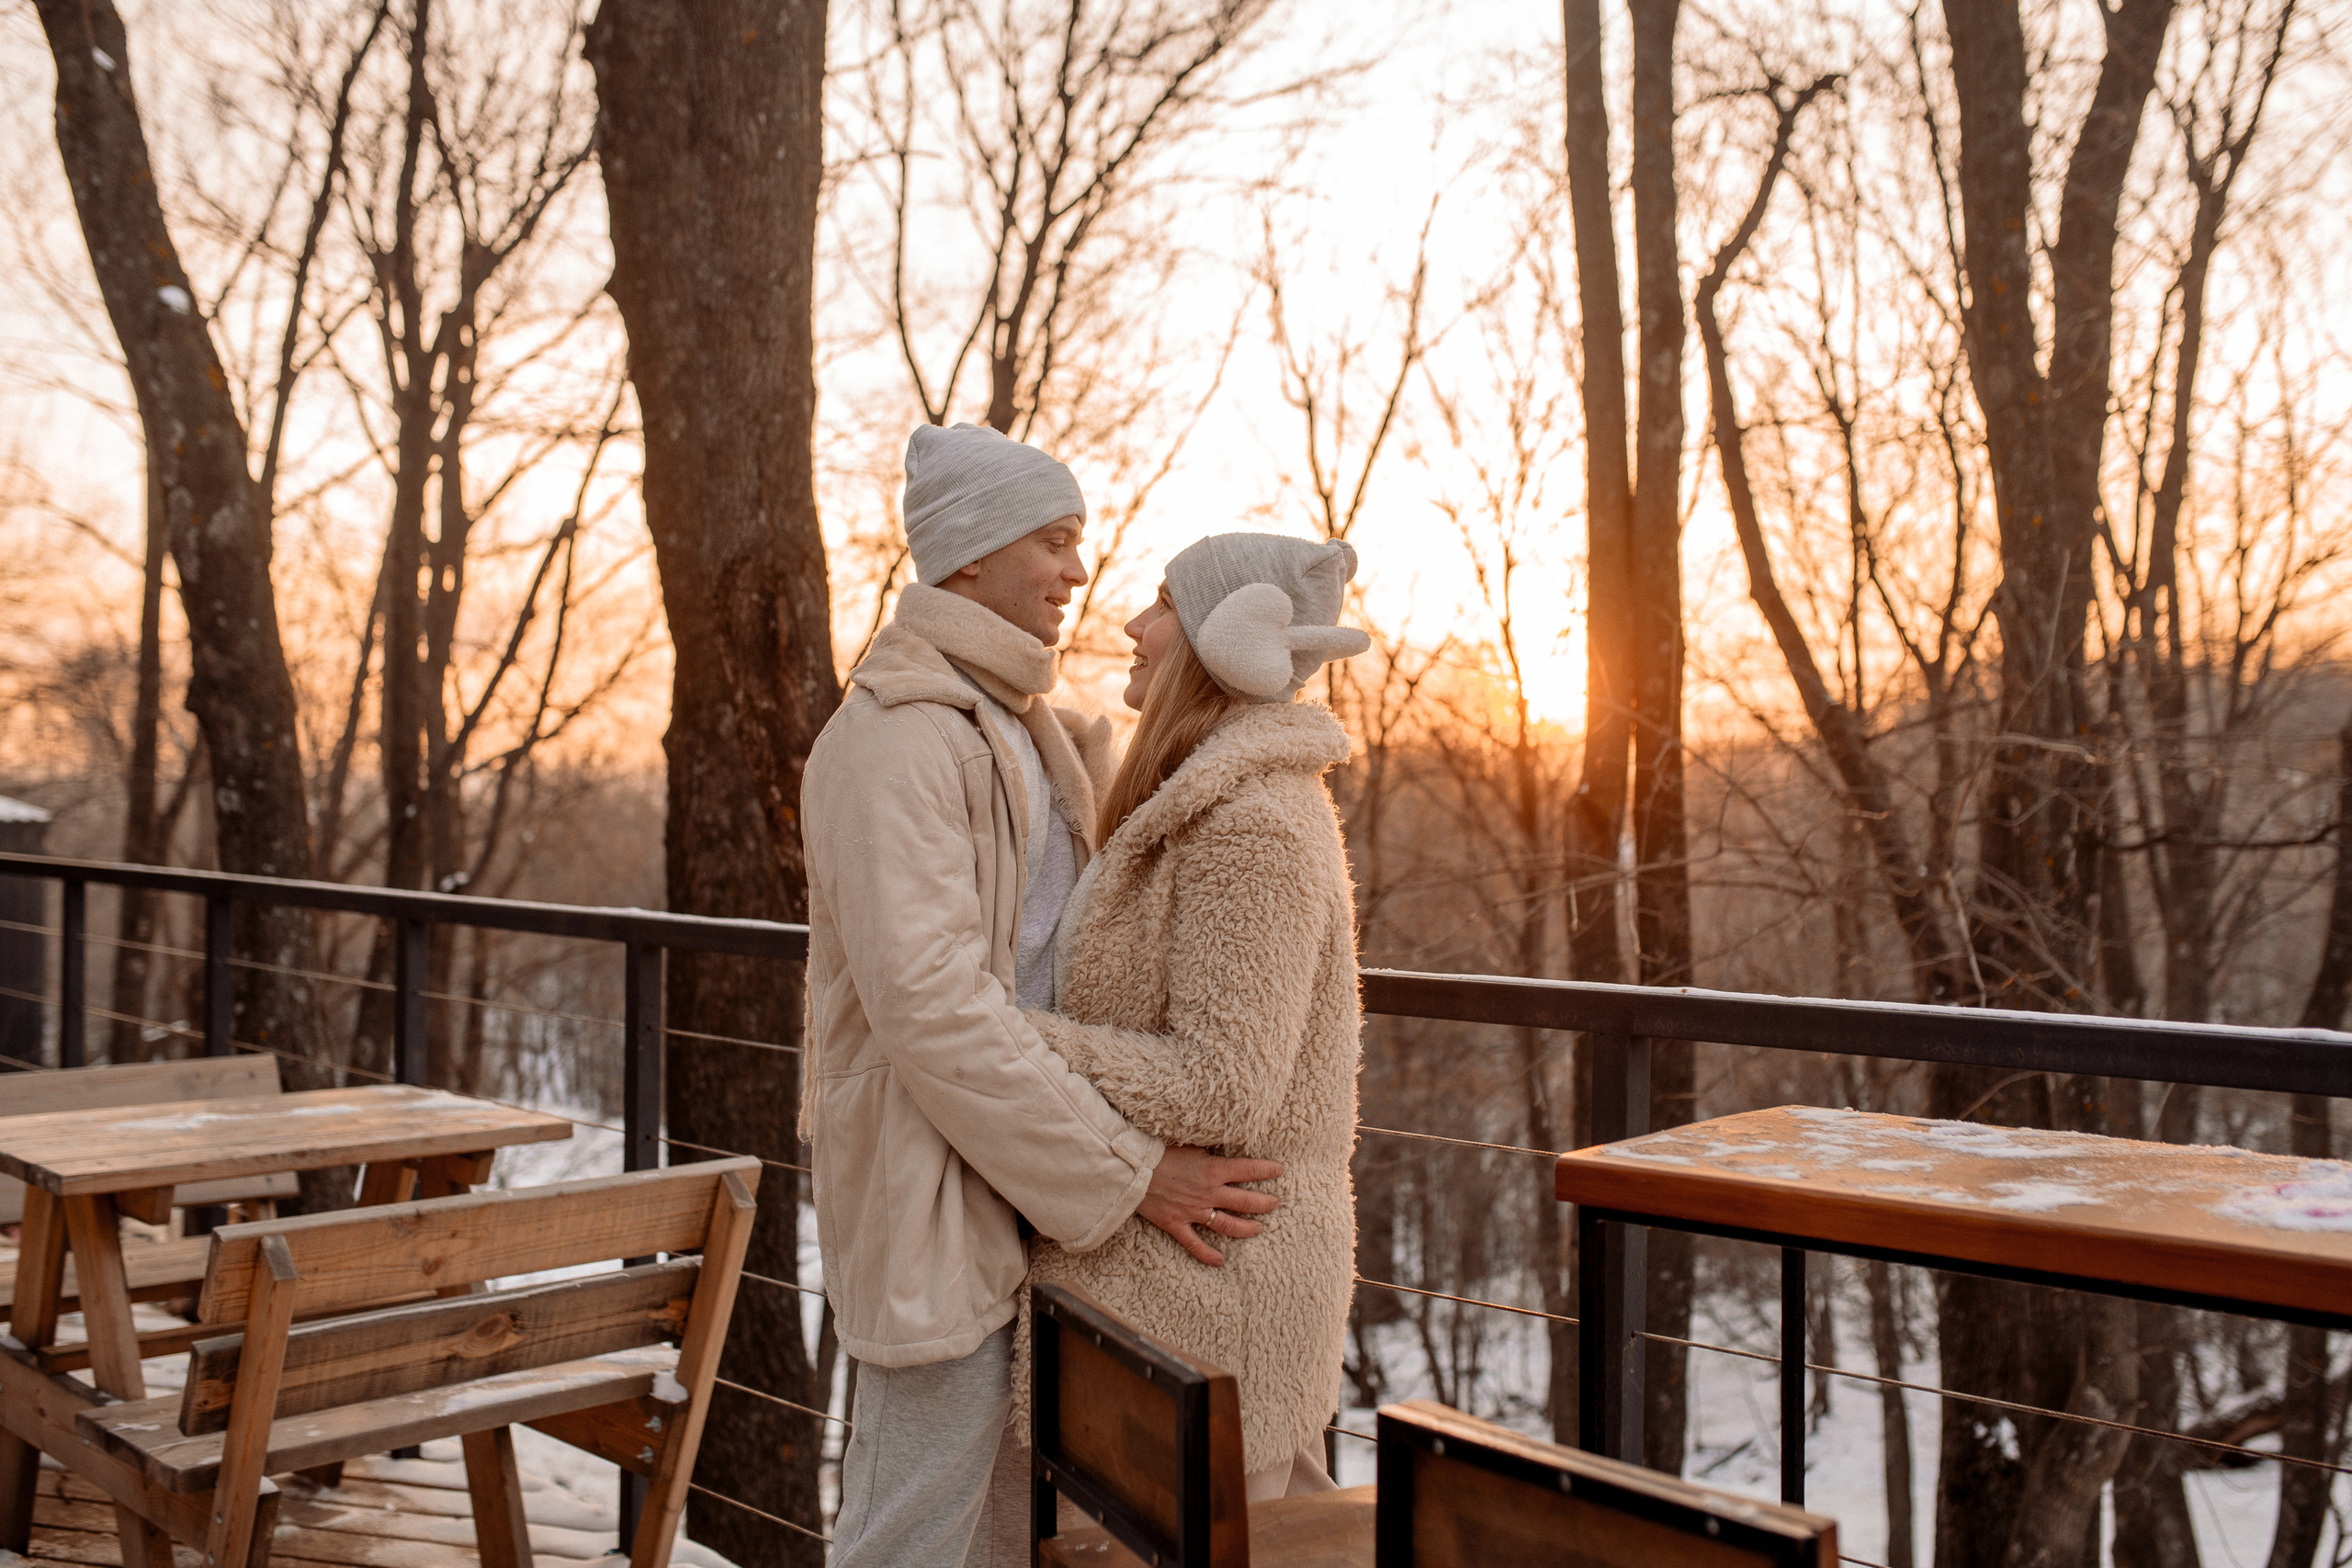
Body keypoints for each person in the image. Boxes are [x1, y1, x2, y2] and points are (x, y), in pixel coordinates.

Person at [801, 426, 1284, 1568]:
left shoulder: (1019, 724)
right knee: (906, 1534)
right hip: (938, 1188)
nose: (1078, 571)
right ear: (968, 555)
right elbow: (933, 1007)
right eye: (1053, 542)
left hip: (1027, 1186)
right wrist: (1127, 1173)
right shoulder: (895, 742)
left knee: (1004, 1536)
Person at [1017, 531, 1372, 1503]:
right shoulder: (1200, 799)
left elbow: (1222, 1082)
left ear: (1226, 636)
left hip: (1219, 1285)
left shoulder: (1253, 822)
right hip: (1191, 1284)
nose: (1131, 625)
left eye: (1161, 603)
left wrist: (1013, 1037)